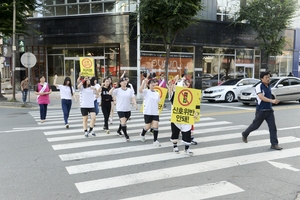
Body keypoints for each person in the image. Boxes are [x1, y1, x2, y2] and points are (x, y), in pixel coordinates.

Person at [242, 71, 282, 150]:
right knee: (255, 126)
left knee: (273, 128)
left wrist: (273, 101)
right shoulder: (259, 86)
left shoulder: (269, 86)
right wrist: (272, 101)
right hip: (261, 111)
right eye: (266, 77)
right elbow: (261, 97)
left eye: (269, 77)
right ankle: (245, 133)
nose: (268, 79)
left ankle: (274, 144)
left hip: (269, 111)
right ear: (261, 78)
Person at [168, 76, 194, 156]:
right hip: (176, 116)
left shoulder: (191, 93)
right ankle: (175, 146)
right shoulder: (174, 93)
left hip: (186, 116)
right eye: (184, 83)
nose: (186, 84)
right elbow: (170, 88)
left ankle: (187, 148)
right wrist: (173, 82)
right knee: (175, 132)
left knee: (187, 132)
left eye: (188, 83)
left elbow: (194, 105)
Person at [139, 75, 161, 147]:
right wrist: (143, 83)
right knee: (147, 127)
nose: (152, 85)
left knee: (155, 126)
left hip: (155, 112)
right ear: (148, 85)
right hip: (147, 112)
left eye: (153, 83)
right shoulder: (146, 92)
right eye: (151, 83)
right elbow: (140, 90)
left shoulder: (157, 93)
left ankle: (155, 140)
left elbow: (158, 102)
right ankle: (142, 134)